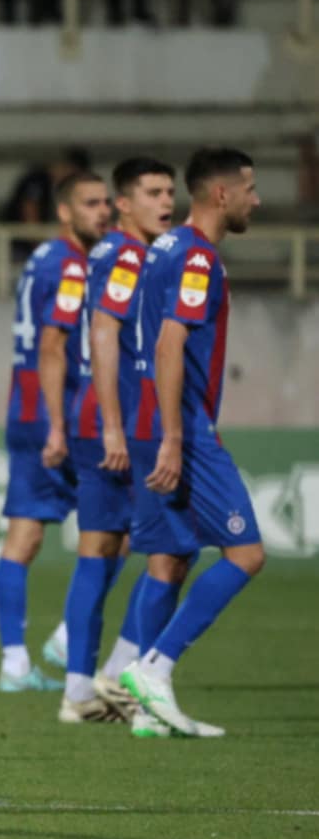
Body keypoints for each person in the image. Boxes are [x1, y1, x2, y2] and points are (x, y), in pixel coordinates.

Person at [119, 148, 263, 739]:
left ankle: (143, 709)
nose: (257, 199)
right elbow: (169, 343)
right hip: (182, 426)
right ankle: (155, 666)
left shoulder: (166, 247)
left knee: (171, 557)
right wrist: (177, 438)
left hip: (151, 419)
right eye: (250, 188)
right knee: (247, 555)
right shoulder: (198, 259)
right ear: (221, 195)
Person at [58, 157, 198, 731]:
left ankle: (81, 690)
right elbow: (105, 330)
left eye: (170, 191)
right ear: (124, 203)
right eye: (154, 192)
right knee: (172, 548)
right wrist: (114, 423)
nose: (167, 202)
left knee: (106, 551)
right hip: (114, 421)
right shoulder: (126, 255)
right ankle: (117, 675)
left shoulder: (128, 253)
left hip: (104, 417)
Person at [0, 170, 109, 693]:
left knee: (25, 537)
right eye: (90, 203)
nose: (103, 212)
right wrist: (59, 423)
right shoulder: (71, 266)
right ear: (65, 212)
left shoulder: (42, 257)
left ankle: (15, 663)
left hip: (26, 405)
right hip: (57, 410)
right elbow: (54, 346)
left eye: (107, 202)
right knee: (119, 522)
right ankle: (64, 639)